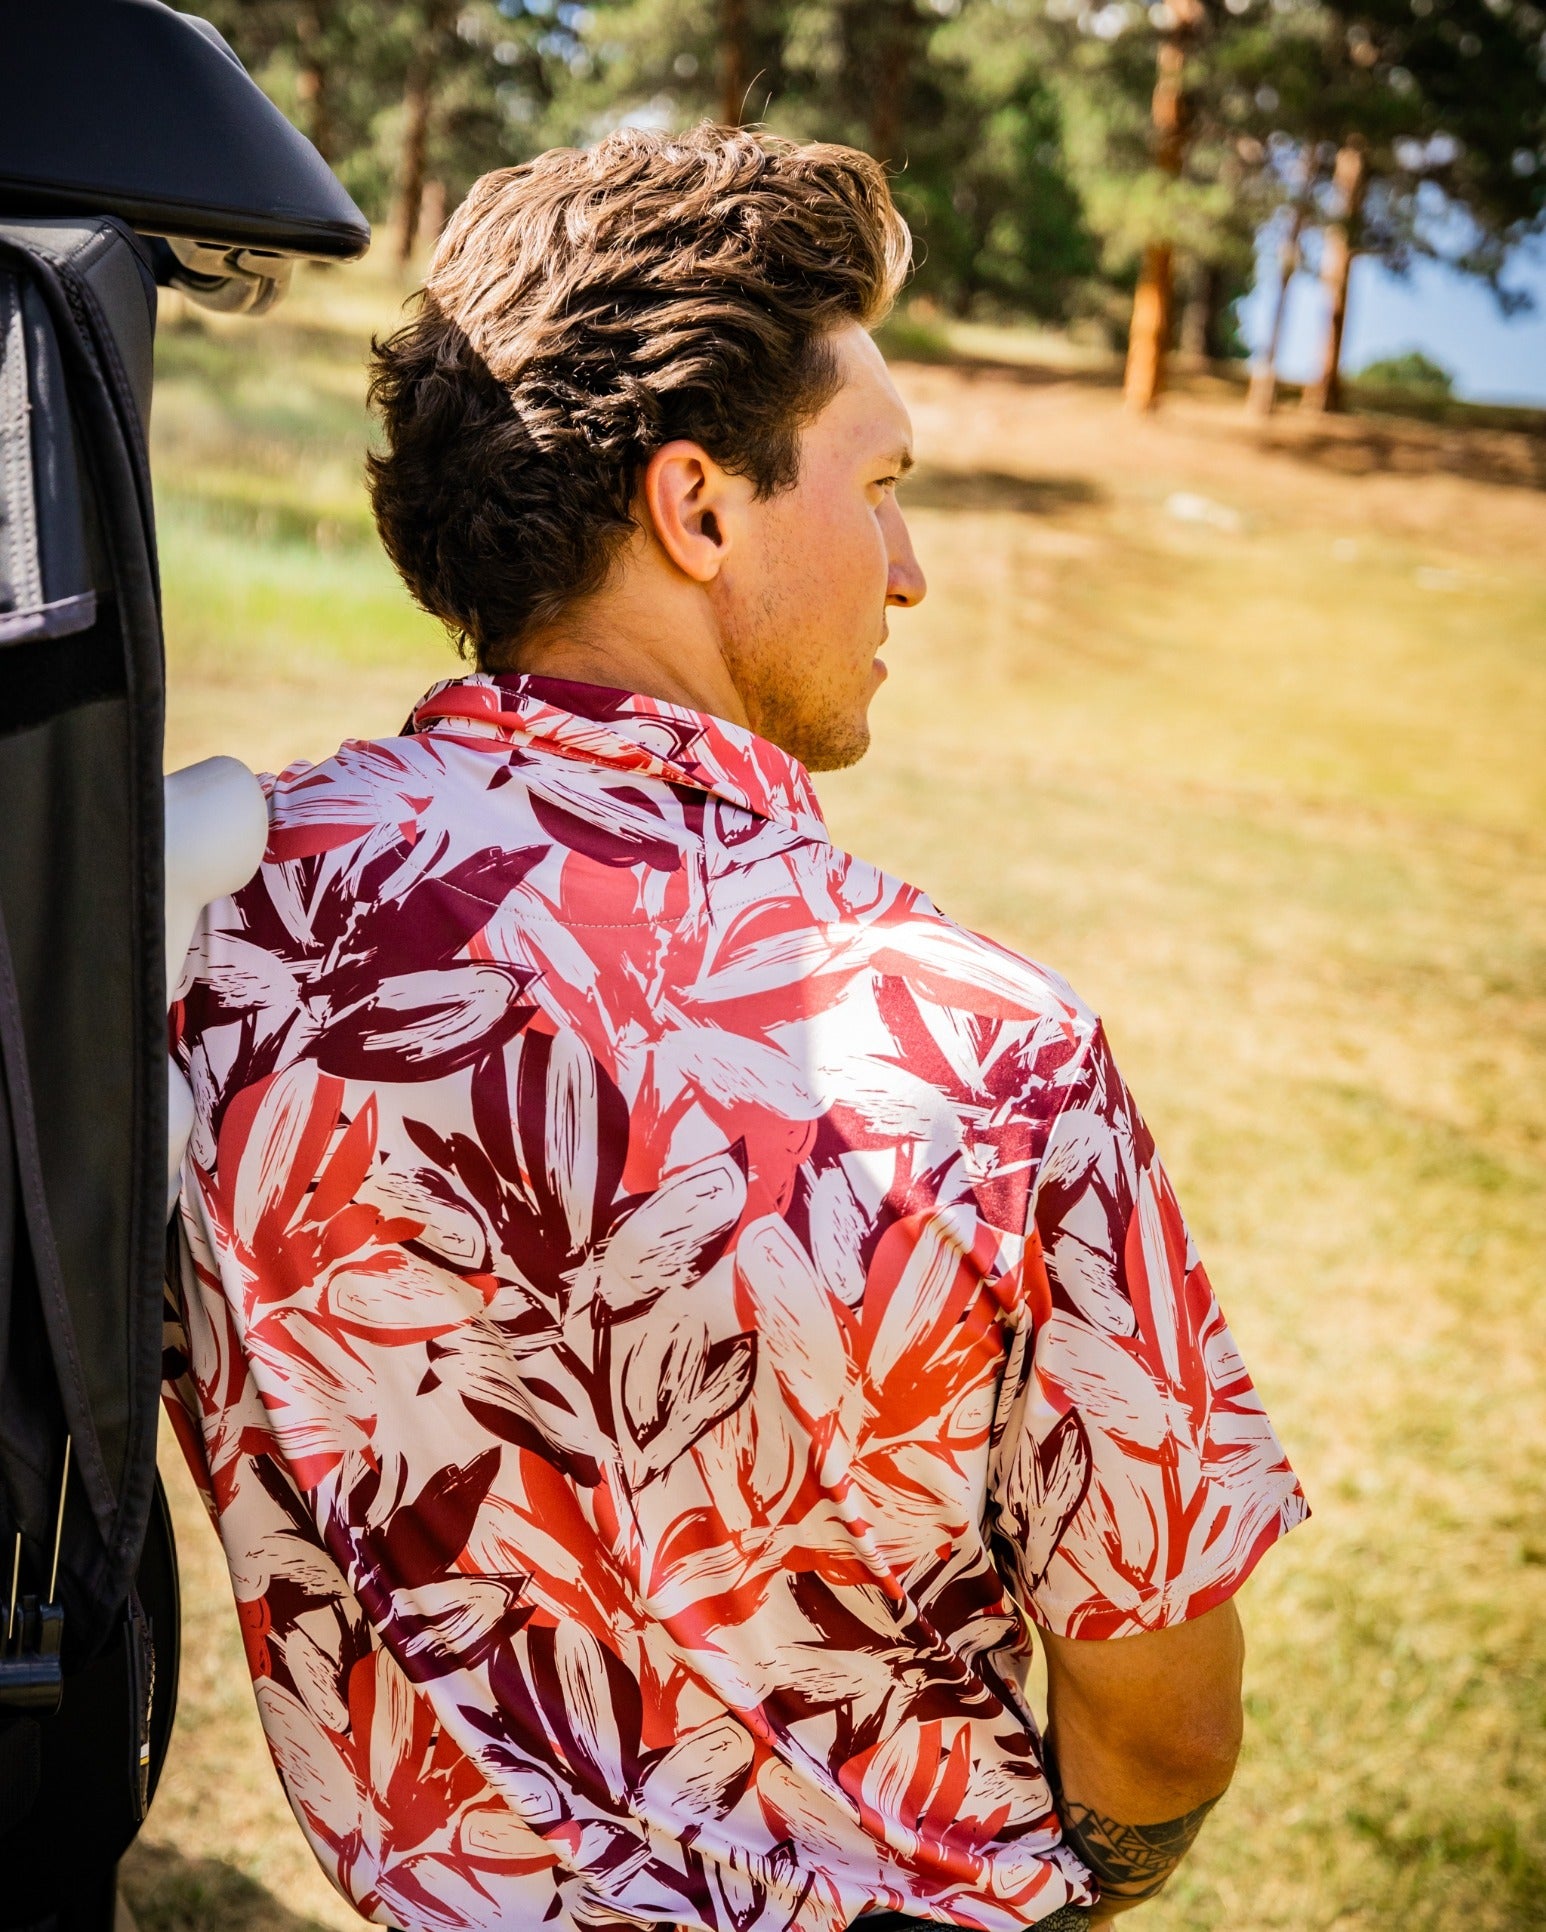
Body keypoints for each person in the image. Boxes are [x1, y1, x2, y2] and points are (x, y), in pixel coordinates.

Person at [163, 125, 1307, 1932]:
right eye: (879, 485)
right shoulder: (990, 1051)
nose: (909, 568)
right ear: (697, 509)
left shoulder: (195, 931)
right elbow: (1162, 1727)